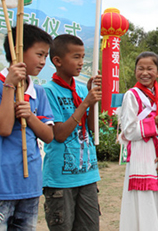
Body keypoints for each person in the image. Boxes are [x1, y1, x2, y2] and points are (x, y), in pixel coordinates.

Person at [0, 24, 55, 230]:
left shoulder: (39, 93)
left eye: (46, 56)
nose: (43, 61)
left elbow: (48, 135)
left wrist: (30, 116)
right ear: (18, 51)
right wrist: (9, 86)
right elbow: (4, 128)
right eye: (39, 54)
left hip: (29, 185)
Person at [42, 34, 102, 230]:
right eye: (76, 57)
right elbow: (59, 134)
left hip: (88, 174)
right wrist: (85, 103)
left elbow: (92, 129)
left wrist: (93, 101)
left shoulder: (83, 90)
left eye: (83, 57)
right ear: (57, 61)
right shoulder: (48, 91)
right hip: (61, 178)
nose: (81, 63)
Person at [119, 51, 158, 231]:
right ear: (135, 71)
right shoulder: (131, 95)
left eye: (150, 69)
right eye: (140, 68)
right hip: (142, 153)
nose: (145, 73)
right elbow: (129, 130)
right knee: (144, 198)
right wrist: (154, 122)